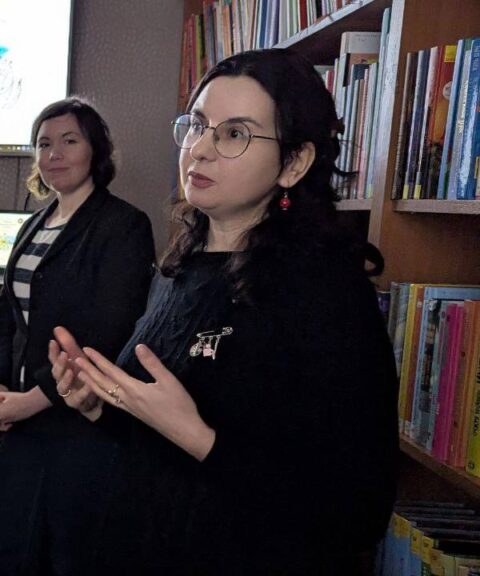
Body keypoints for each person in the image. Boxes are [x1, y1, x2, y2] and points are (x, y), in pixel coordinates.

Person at [49, 48, 398, 574]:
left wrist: (199, 437)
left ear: (294, 163)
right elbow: (153, 438)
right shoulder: (180, 268)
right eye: (196, 126)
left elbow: (356, 510)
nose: (199, 150)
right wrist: (99, 405)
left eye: (234, 134)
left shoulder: (327, 292)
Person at [0, 97, 156, 575]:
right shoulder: (32, 226)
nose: (54, 153)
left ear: (95, 150)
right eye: (43, 144)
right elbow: (7, 315)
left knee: (70, 559)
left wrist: (33, 399)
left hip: (82, 422)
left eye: (69, 141)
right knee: (10, 555)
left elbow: (109, 330)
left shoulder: (124, 225)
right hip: (23, 424)